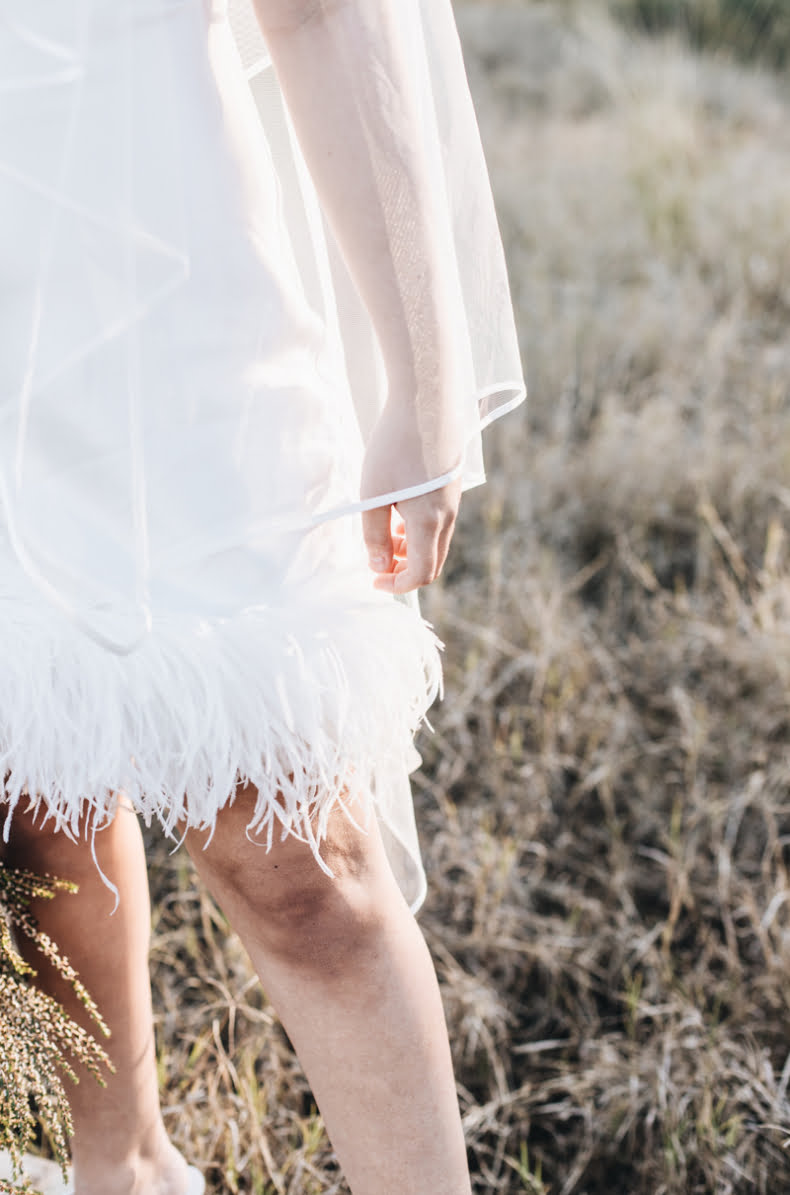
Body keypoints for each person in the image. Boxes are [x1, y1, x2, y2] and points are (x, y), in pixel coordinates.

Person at [0, 1, 525, 1192]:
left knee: (298, 860)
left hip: (174, 289)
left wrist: (424, 375)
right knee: (33, 794)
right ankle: (124, 1167)